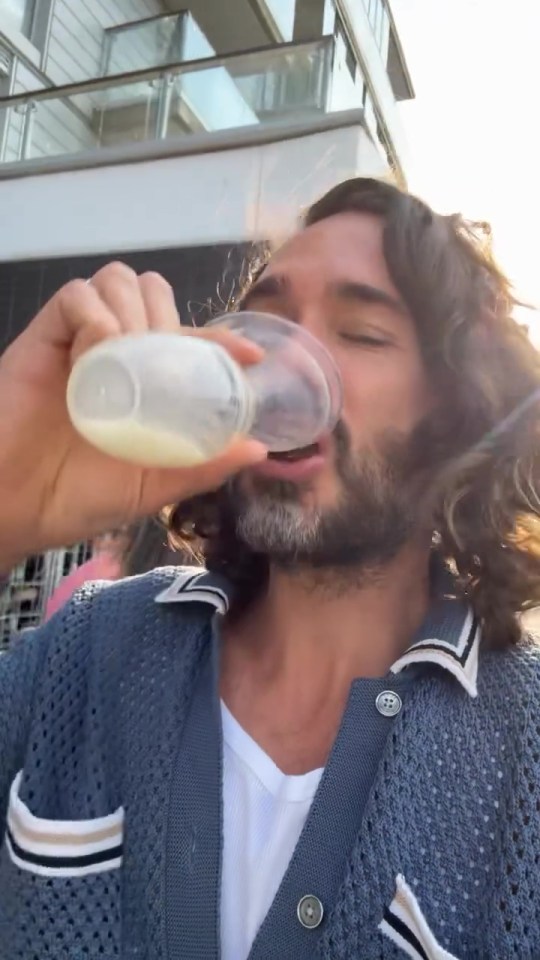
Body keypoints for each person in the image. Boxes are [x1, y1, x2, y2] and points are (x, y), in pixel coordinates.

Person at [0, 177, 538, 960]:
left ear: (457, 412)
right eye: (269, 320)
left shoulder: (523, 758)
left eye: (361, 332)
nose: (287, 360)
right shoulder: (87, 651)